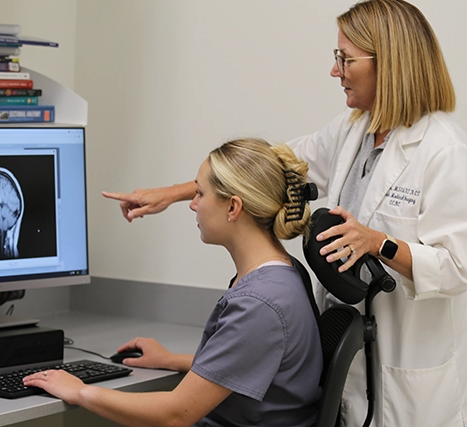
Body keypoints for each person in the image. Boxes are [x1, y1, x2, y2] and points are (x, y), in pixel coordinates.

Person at [102, 0, 467, 427]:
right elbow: (264, 169)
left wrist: (377, 242)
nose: (334, 71)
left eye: (345, 58)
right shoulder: (353, 129)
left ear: (390, 62)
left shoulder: (443, 150)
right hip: (355, 357)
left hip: (413, 366)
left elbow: (456, 267)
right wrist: (172, 193)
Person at [24, 138, 323, 427]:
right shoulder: (284, 272)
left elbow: (175, 415)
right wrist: (174, 360)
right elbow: (249, 360)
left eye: (200, 194)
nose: (193, 205)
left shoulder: (259, 303)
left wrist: (80, 391)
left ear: (233, 207)